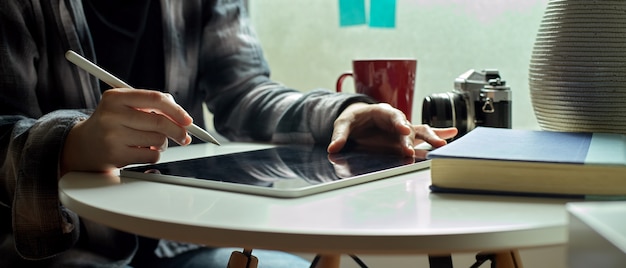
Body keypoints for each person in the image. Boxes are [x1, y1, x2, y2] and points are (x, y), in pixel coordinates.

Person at [0, 0, 458, 267]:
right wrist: (69, 143)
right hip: (53, 248)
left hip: (181, 238)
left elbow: (243, 93)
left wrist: (344, 113)